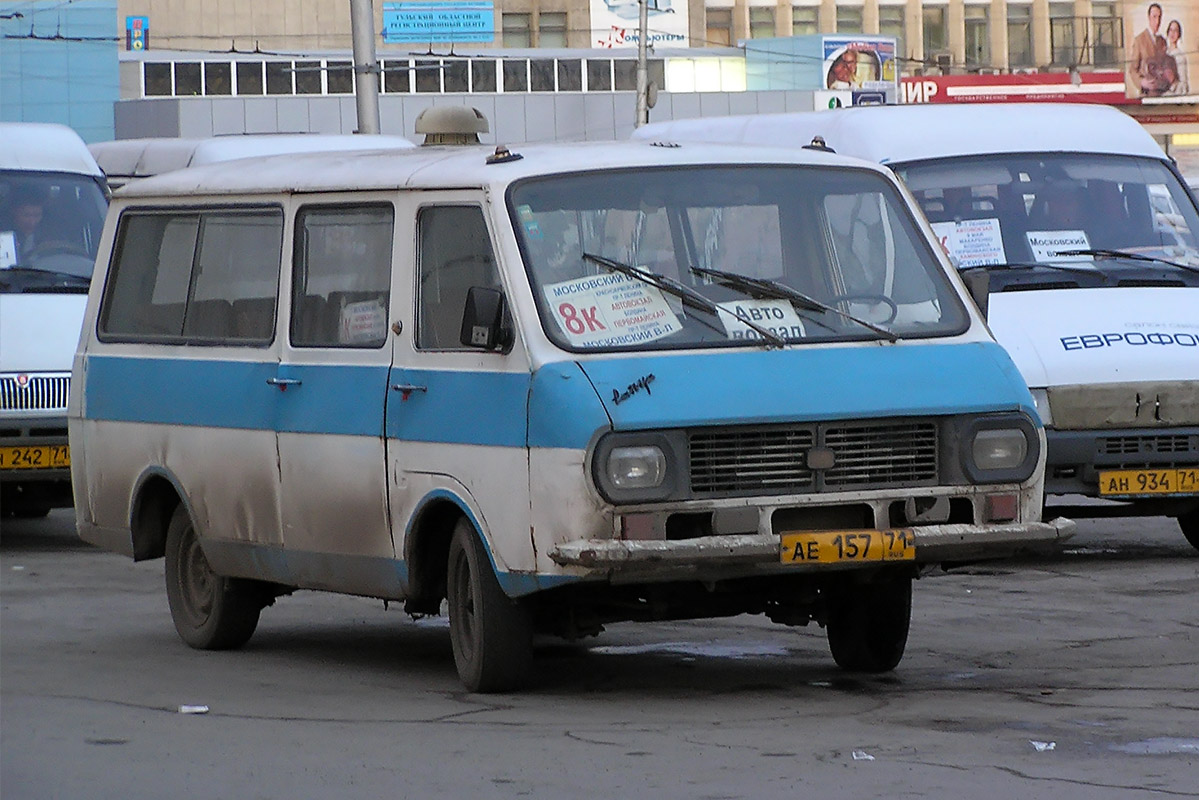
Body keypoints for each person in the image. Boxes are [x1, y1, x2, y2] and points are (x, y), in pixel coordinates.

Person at [1129, 3, 1170, 96]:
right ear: (1149, 17)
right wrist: (1142, 82)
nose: (1157, 21)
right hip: (1147, 94)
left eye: (1159, 17)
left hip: (1162, 93)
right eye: (1154, 17)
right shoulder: (1140, 40)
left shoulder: (1162, 41)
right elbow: (1132, 69)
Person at [1165, 19, 1190, 95]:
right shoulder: (1164, 53)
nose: (1172, 33)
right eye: (1171, 30)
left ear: (1179, 34)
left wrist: (1173, 84)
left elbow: (1184, 83)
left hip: (1173, 94)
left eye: (1175, 31)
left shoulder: (1180, 56)